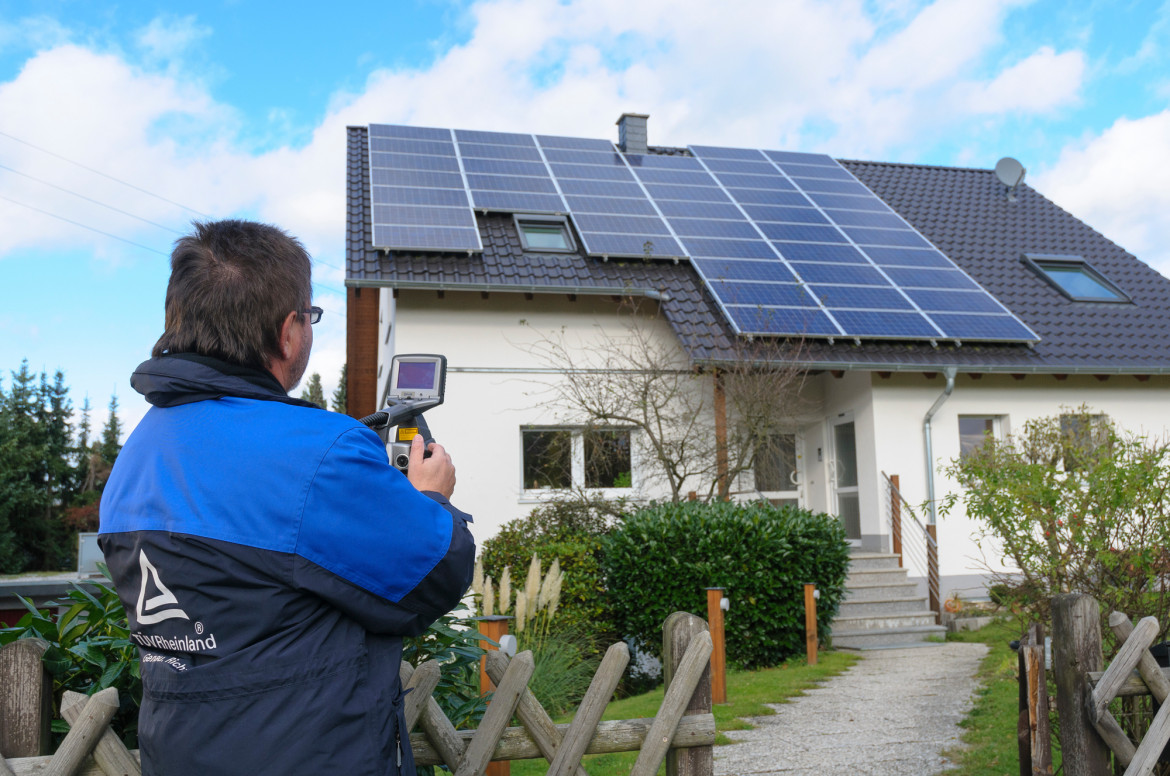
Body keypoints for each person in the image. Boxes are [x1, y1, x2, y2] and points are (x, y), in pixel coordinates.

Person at [99, 219, 475, 776]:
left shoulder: (136, 455)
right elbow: (434, 575)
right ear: (288, 332)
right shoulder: (320, 451)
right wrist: (430, 499)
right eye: (310, 316)